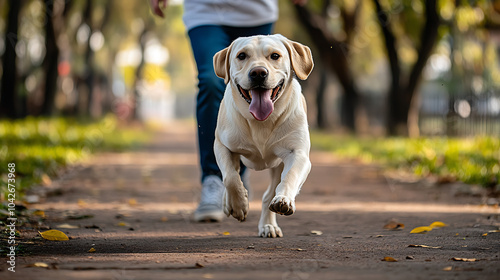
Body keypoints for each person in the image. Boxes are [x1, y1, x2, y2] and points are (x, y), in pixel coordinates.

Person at [149, 0, 307, 222]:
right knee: (211, 80)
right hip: (204, 10)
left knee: (264, 71)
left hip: (256, 9)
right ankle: (215, 179)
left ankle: (240, 174)